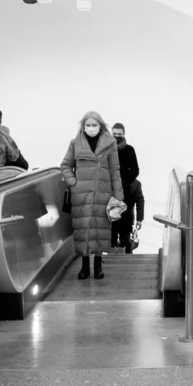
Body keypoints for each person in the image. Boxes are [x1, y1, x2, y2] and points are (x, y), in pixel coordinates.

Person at [60, 111, 124, 280]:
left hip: (103, 194)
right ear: (83, 126)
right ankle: (84, 267)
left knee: (100, 230)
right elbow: (65, 166)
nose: (91, 128)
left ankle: (98, 266)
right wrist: (73, 183)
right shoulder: (75, 143)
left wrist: (118, 197)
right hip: (81, 195)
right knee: (84, 230)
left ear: (101, 126)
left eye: (94, 125)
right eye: (87, 125)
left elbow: (114, 171)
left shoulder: (110, 145)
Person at [112, 179, 145, 253]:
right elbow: (140, 201)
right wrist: (139, 219)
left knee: (116, 242)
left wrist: (139, 219)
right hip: (124, 219)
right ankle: (125, 257)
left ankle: (116, 257)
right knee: (124, 242)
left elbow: (140, 201)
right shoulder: (135, 183)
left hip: (118, 218)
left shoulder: (135, 184)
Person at [112, 123, 139, 190]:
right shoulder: (105, 148)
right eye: (114, 134)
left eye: (119, 134)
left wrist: (124, 183)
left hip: (123, 190)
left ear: (123, 134)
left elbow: (135, 170)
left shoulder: (129, 150)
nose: (116, 136)